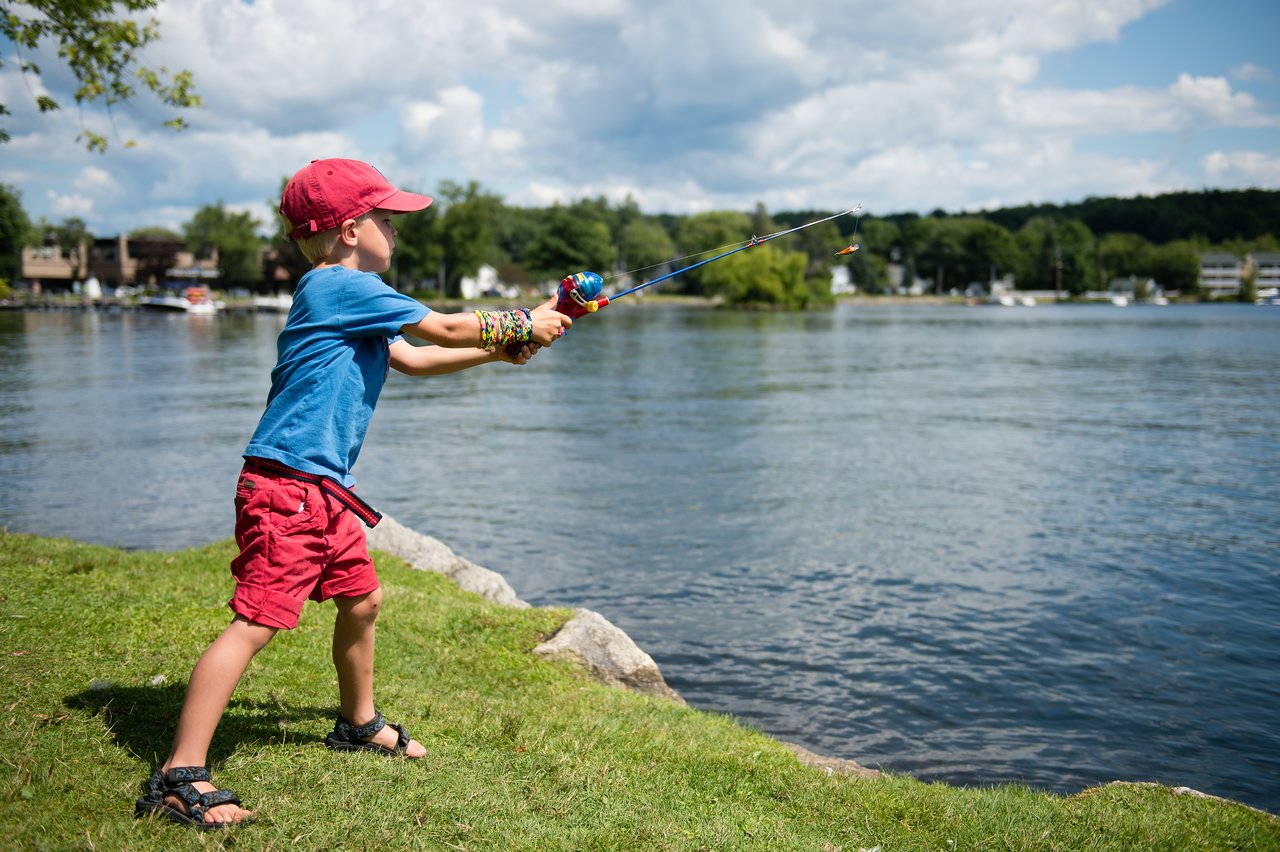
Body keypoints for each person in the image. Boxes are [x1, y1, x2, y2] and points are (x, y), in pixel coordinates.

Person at [134, 158, 572, 830]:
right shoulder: (341, 286)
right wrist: (518, 325)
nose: (396, 232)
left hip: (325, 490)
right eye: (386, 220)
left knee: (362, 599)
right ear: (346, 231)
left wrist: (503, 348)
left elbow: (417, 358)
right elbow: (447, 329)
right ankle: (179, 775)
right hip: (287, 489)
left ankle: (358, 723)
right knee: (256, 624)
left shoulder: (352, 295)